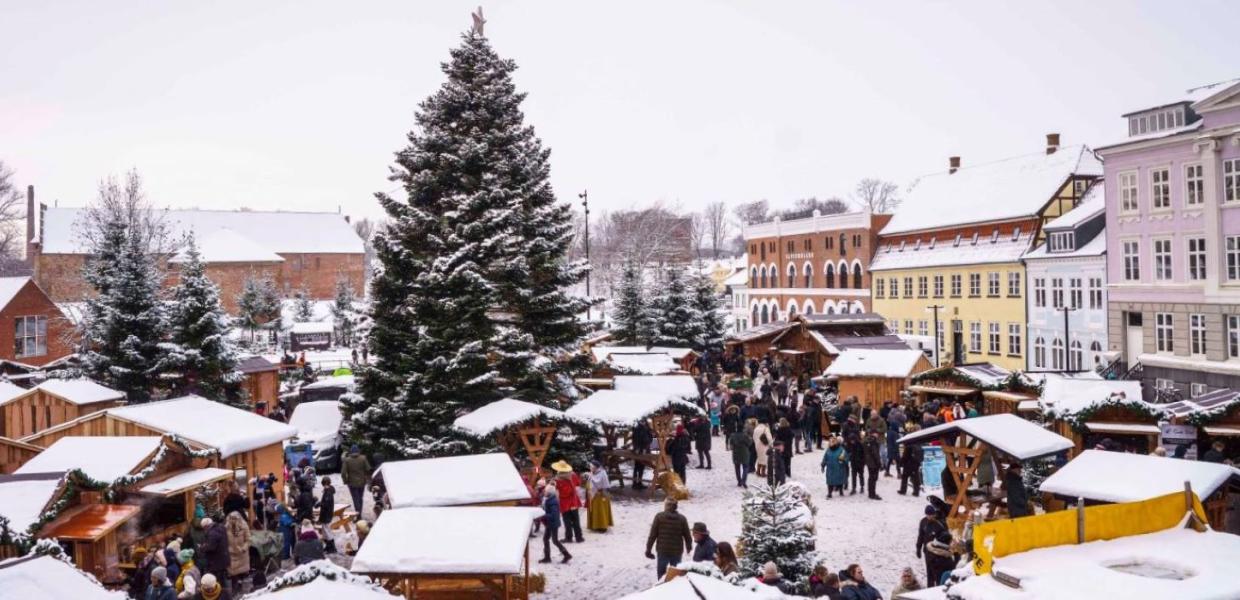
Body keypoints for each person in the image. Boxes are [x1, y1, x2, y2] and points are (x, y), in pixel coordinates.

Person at [644, 497, 692, 580]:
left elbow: (652, 535)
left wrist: (648, 549)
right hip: (676, 551)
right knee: (675, 574)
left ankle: (661, 588)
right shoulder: (682, 519)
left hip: (663, 550)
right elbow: (687, 535)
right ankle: (673, 590)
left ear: (666, 506)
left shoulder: (659, 517)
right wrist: (689, 547)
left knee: (661, 574)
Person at [551, 461, 584, 543]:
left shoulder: (557, 480)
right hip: (574, 501)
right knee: (576, 520)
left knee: (567, 521)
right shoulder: (573, 475)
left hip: (565, 503)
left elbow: (562, 493)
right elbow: (577, 484)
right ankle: (579, 537)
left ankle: (569, 538)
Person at [916, 506, 948, 587]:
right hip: (927, 552)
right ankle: (929, 588)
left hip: (937, 553)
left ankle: (938, 588)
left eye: (931, 515)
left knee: (937, 573)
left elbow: (946, 539)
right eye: (928, 515)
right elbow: (921, 536)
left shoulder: (939, 524)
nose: (929, 517)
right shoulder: (923, 522)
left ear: (934, 514)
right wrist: (918, 548)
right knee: (929, 573)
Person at [538, 485, 572, 564]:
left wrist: (543, 514)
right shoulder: (548, 499)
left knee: (555, 540)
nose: (544, 492)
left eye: (546, 491)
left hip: (553, 523)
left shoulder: (553, 502)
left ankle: (566, 554)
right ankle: (547, 557)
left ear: (549, 493)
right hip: (550, 523)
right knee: (546, 539)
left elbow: (554, 515)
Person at [199, 517, 228, 592]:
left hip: (216, 560)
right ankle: (224, 594)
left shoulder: (212, 533)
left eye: (204, 528)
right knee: (222, 579)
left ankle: (220, 594)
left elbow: (211, 547)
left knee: (217, 580)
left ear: (206, 526)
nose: (204, 530)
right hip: (223, 557)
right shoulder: (220, 528)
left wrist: (202, 547)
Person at [340, 446, 372, 515]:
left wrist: (345, 481)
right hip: (362, 482)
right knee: (360, 498)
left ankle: (358, 514)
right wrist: (367, 478)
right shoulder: (363, 458)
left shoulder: (347, 460)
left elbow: (343, 473)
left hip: (352, 483)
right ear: (358, 451)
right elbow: (368, 469)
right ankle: (359, 512)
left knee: (355, 498)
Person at [224, 511, 250, 593]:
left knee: (241, 573)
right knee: (233, 574)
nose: (233, 520)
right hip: (231, 554)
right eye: (231, 518)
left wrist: (244, 548)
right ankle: (235, 591)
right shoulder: (226, 527)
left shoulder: (244, 526)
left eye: (234, 518)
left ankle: (242, 590)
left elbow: (248, 540)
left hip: (242, 554)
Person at [586, 461, 613, 532]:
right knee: (595, 510)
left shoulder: (603, 474)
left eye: (591, 467)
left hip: (601, 496)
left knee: (601, 511)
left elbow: (605, 485)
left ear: (595, 467)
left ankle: (602, 526)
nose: (590, 468)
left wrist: (602, 492)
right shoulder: (592, 473)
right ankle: (594, 525)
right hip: (592, 495)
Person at [898, 430, 924, 496]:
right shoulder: (918, 444)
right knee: (915, 478)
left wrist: (901, 463)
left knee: (905, 477)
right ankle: (916, 492)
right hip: (916, 463)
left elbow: (905, 456)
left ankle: (903, 491)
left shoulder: (908, 446)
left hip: (908, 464)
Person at [632, 418, 654, 490]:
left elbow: (634, 439)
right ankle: (637, 483)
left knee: (637, 467)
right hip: (642, 450)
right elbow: (646, 440)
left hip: (638, 450)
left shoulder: (637, 428)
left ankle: (636, 483)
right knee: (640, 467)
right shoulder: (643, 429)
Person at [863, 431, 882, 500]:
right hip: (874, 463)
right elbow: (875, 453)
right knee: (873, 478)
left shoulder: (866, 441)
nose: (877, 435)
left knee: (871, 478)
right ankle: (872, 494)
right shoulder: (873, 442)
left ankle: (871, 493)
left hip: (869, 462)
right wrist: (879, 463)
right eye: (876, 433)